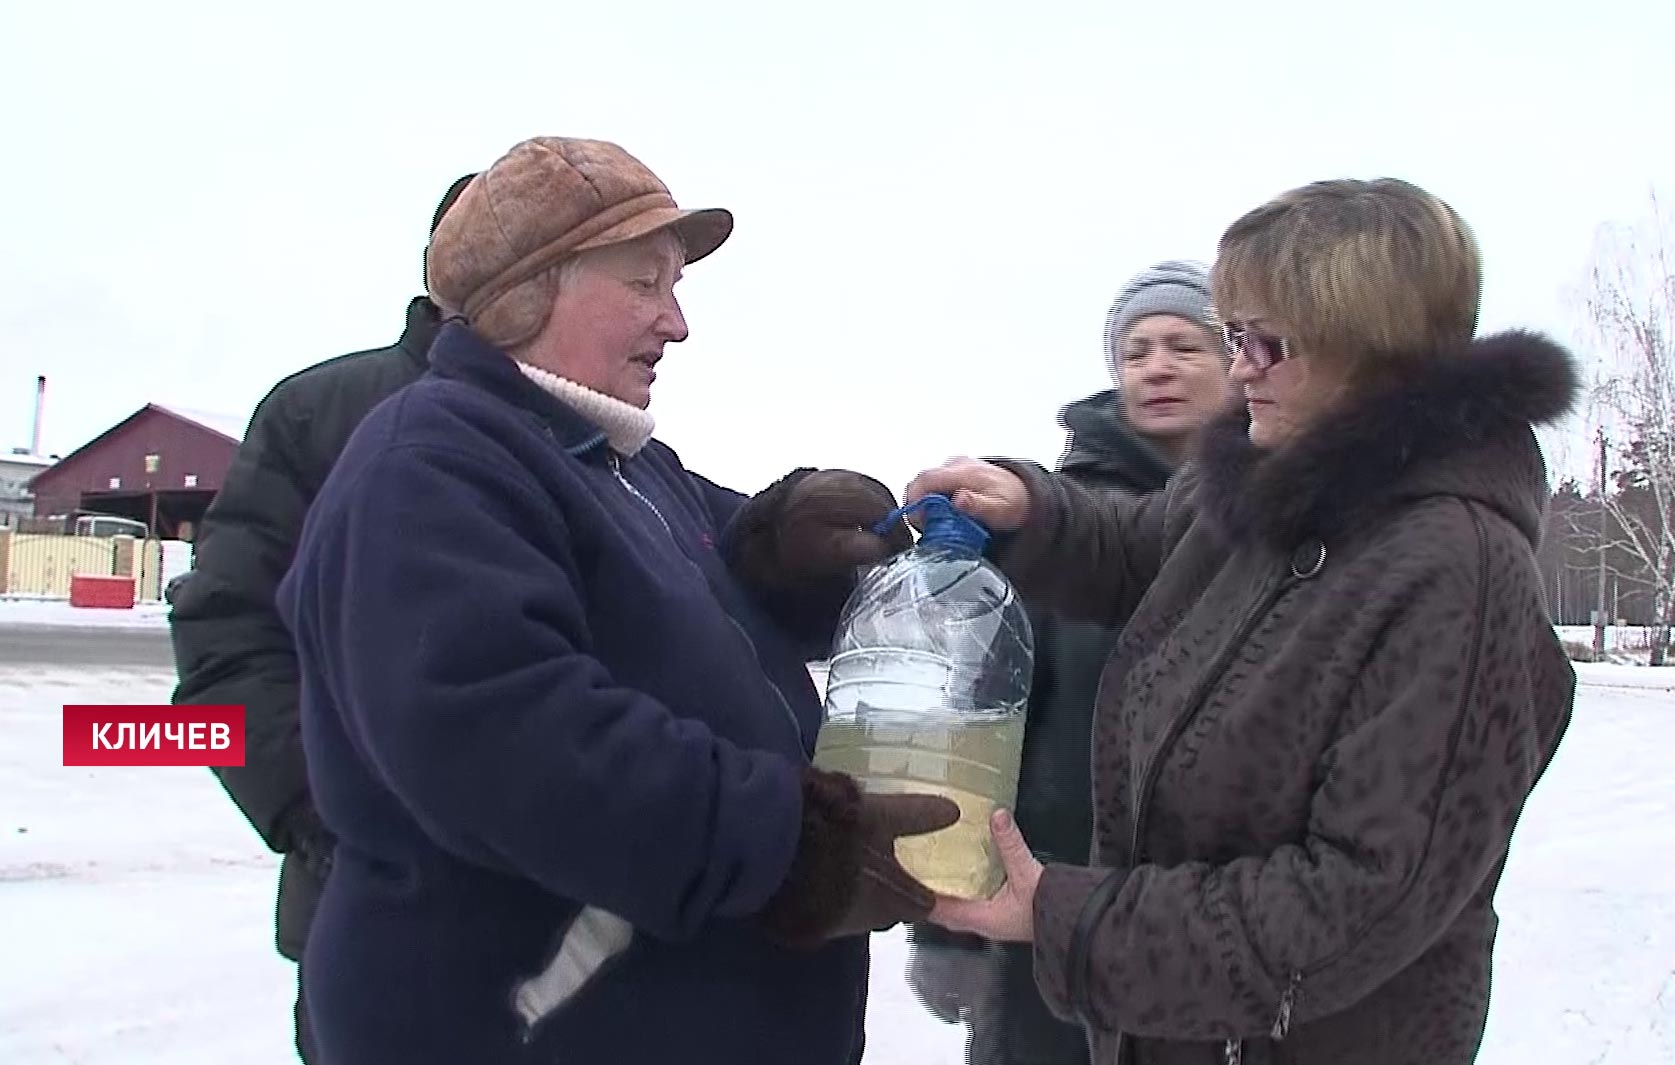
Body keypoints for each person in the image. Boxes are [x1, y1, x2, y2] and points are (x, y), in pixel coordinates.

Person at [272, 135, 961, 1065]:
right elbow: (510, 742)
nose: (676, 324)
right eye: (645, 285)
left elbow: (705, 574)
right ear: (529, 291)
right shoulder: (429, 468)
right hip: (524, 1024)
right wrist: (791, 845)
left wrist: (788, 545)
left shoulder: (609, 456)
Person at [909, 177, 1580, 1064]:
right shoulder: (1268, 484)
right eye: (1235, 336)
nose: (1240, 367)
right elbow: (1142, 550)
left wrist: (1074, 919)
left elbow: (1351, 902)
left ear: (1368, 348)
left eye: (1267, 341)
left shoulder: (1457, 571)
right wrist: (1034, 509)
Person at [166, 170, 476, 1063]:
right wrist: (325, 818)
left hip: (570, 932)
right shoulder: (324, 414)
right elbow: (224, 644)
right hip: (374, 920)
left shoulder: (592, 429)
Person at [904, 260, 1236, 1065]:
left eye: (1185, 346)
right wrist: (939, 921)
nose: (1156, 365)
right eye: (1136, 350)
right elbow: (977, 717)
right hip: (1046, 910)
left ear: (1237, 364)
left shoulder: (1269, 519)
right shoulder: (1056, 533)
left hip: (1213, 921)